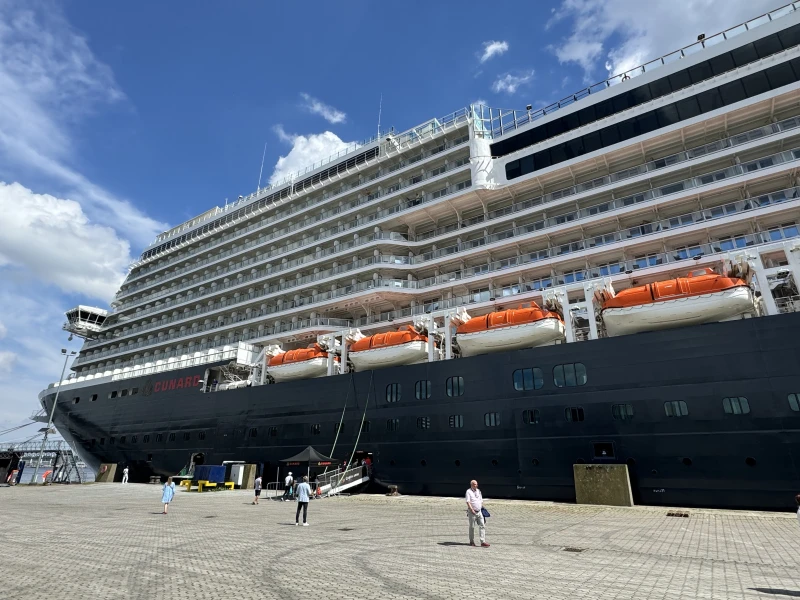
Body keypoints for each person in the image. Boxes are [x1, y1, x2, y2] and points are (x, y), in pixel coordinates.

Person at [466, 479, 489, 547]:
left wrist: (481, 507)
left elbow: (481, 500)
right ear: (472, 485)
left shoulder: (478, 491)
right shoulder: (468, 491)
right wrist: (471, 509)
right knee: (472, 527)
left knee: (482, 525)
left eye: (477, 484)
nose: (476, 485)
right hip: (472, 512)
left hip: (479, 511)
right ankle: (471, 541)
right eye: (475, 484)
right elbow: (468, 501)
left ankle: (483, 541)